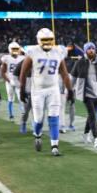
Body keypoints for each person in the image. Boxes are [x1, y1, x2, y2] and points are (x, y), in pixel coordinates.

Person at [19, 28, 72, 156]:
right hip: (37, 90)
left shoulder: (58, 52)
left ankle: (55, 146)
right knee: (39, 120)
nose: (47, 42)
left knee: (54, 117)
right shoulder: (33, 52)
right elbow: (23, 72)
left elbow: (64, 73)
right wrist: (22, 89)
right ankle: (37, 135)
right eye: (44, 40)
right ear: (39, 40)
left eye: (49, 39)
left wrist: (70, 90)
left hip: (53, 89)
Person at [72, 42, 97, 148]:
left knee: (91, 115)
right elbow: (72, 77)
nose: (91, 50)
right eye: (89, 49)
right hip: (85, 93)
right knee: (92, 115)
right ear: (85, 50)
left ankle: (86, 134)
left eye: (93, 48)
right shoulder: (80, 62)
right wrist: (68, 90)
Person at [0, 41, 25, 121]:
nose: (15, 50)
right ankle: (11, 115)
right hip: (10, 81)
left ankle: (23, 114)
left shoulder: (22, 58)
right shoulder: (6, 58)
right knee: (10, 98)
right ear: (10, 49)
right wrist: (8, 80)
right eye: (13, 48)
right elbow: (2, 72)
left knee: (21, 98)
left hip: (18, 81)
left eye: (16, 48)